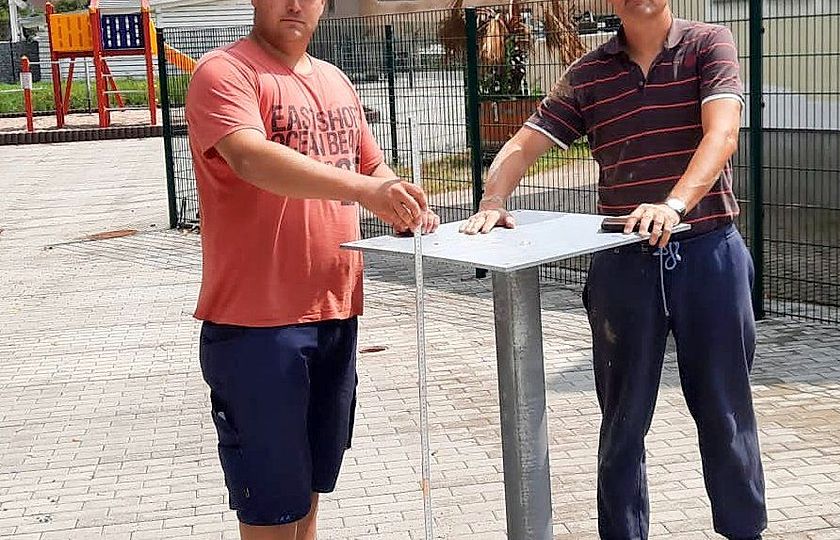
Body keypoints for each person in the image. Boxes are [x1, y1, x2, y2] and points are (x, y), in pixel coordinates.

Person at [460, 0, 766, 538]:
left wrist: (673, 205)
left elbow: (721, 135)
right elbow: (523, 143)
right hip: (624, 265)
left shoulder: (707, 44)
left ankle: (744, 530)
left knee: (726, 413)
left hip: (708, 255)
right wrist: (492, 200)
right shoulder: (590, 72)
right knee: (623, 422)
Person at [185, 0, 438, 538]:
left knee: (308, 494)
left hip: (335, 312)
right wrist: (366, 190)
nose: (296, 4)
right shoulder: (225, 72)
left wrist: (399, 199)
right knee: (273, 509)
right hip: (257, 326)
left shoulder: (334, 80)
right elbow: (251, 157)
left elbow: (369, 164)